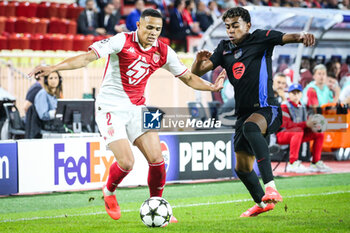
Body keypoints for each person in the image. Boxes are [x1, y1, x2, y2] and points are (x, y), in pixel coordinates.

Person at [29, 9, 224, 222]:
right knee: (127, 162)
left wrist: (211, 87)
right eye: (149, 27)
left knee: (158, 159)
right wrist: (53, 68)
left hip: (139, 107)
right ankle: (109, 190)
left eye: (157, 29)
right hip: (110, 107)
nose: (153, 33)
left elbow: (187, 77)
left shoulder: (164, 51)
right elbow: (86, 58)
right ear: (138, 25)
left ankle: (156, 204)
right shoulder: (121, 41)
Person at [190, 7, 315, 217]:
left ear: (247, 25)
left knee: (251, 127)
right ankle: (262, 203)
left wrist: (302, 36)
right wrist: (197, 60)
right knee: (241, 168)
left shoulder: (260, 37)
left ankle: (271, 186)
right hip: (243, 114)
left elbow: (286, 37)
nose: (231, 30)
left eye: (235, 26)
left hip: (268, 109)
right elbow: (197, 73)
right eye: (227, 27)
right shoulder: (224, 48)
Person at [276, 84, 331, 173]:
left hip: (297, 135)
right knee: (298, 131)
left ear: (301, 94)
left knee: (319, 133)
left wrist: (313, 125)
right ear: (289, 94)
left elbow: (306, 124)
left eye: (298, 93)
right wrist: (306, 124)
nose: (296, 95)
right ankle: (292, 163)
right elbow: (287, 125)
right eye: (293, 93)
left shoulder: (303, 106)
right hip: (281, 135)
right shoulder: (284, 106)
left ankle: (315, 162)